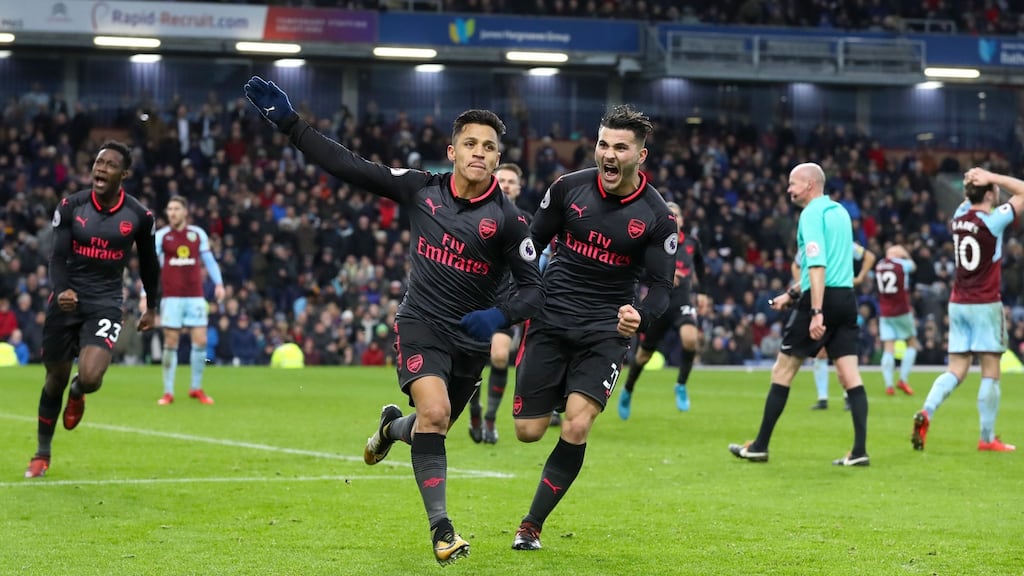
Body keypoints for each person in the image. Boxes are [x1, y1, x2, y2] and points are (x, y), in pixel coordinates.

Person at [243, 77, 544, 564]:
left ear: (497, 158)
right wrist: (291, 124)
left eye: (489, 147)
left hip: (469, 340)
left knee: (430, 427)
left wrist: (499, 316)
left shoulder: (509, 221)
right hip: (421, 322)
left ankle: (387, 430)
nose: (480, 153)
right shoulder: (421, 189)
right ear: (452, 150)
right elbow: (351, 167)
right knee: (436, 415)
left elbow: (534, 290)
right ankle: (442, 531)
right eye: (470, 143)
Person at [510, 105, 677, 551]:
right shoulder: (567, 189)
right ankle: (563, 390)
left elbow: (662, 287)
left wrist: (640, 314)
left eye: (620, 147)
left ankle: (531, 526)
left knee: (577, 426)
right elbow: (532, 245)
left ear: (640, 156)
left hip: (606, 332)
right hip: (550, 319)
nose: (608, 153)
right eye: (604, 143)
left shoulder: (658, 216)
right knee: (527, 432)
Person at [25, 140, 161, 479]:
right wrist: (61, 290)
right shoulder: (71, 206)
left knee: (90, 376)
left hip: (106, 303)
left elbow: (149, 263)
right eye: (98, 162)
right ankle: (42, 453)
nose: (100, 168)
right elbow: (57, 256)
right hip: (67, 300)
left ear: (124, 174)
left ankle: (79, 392)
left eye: (110, 164)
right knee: (54, 378)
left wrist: (152, 305)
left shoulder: (139, 217)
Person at [728, 162, 869, 467]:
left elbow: (818, 266)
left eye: (793, 183)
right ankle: (859, 451)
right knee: (849, 375)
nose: (789, 190)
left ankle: (760, 446)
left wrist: (816, 311)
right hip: (846, 298)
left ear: (809, 185)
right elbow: (826, 266)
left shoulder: (811, 215)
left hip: (822, 300)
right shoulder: (841, 213)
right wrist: (790, 295)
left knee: (782, 371)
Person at [912, 167, 1023, 453]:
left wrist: (974, 183)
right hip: (985, 304)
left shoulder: (958, 217)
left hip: (959, 303)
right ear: (989, 193)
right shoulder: (993, 221)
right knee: (990, 371)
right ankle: (987, 438)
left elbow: (968, 198)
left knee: (956, 369)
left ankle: (927, 411)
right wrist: (993, 176)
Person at [617, 201, 707, 418]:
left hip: (682, 301)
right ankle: (628, 388)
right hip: (658, 303)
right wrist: (664, 277)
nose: (673, 219)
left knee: (690, 338)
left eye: (676, 215)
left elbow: (702, 268)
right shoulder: (652, 242)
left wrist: (702, 292)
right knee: (643, 355)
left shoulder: (692, 243)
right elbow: (639, 271)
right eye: (669, 215)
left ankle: (681, 385)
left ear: (682, 220)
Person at [467, 162, 528, 444]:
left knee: (501, 355)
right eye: (500, 179)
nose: (504, 184)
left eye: (510, 181)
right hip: (474, 297)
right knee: (472, 361)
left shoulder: (528, 222)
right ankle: (474, 409)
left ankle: (490, 419)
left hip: (507, 301)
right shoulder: (474, 214)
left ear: (518, 187)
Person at [149, 195, 224, 405]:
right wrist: (146, 294)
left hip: (195, 297)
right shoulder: (161, 236)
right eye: (169, 209)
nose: (172, 213)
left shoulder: (197, 234)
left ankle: (196, 388)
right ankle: (168, 391)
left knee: (201, 341)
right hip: (172, 298)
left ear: (185, 212)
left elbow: (209, 260)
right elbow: (151, 268)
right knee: (171, 342)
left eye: (176, 209)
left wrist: (219, 284)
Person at [803, 241, 875, 410]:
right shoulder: (845, 244)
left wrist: (859, 277)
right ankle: (828, 398)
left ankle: (835, 397)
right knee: (829, 352)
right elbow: (869, 257)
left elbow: (797, 265)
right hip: (840, 300)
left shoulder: (821, 245)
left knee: (835, 352)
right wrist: (859, 277)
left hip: (828, 301)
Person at [874, 243, 918, 397]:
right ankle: (903, 380)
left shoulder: (879, 265)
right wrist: (905, 254)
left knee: (888, 347)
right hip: (901, 310)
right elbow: (913, 266)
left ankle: (889, 385)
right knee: (912, 343)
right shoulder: (902, 264)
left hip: (885, 311)